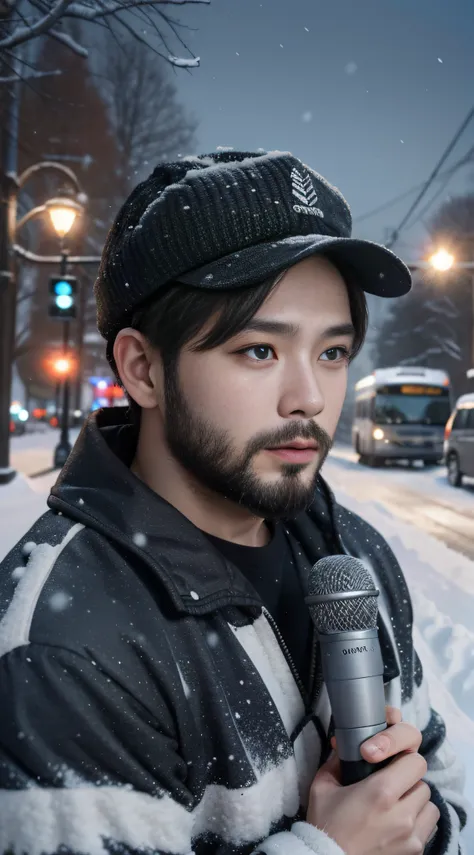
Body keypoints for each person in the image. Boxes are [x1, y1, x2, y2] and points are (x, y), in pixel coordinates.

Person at [0, 150, 468, 855]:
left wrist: (417, 817)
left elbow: (451, 794)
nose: (309, 397)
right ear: (142, 368)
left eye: (333, 352)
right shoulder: (61, 649)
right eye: (259, 351)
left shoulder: (355, 557)